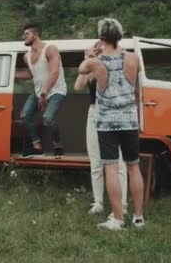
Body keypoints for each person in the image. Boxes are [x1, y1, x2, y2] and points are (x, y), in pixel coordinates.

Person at [78, 18, 145, 230]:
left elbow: (81, 70)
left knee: (111, 168)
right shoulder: (134, 58)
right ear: (120, 35)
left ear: (101, 38)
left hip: (107, 122)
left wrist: (90, 54)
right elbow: (137, 76)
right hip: (129, 119)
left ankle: (117, 219)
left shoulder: (96, 62)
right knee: (133, 167)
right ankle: (138, 217)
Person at [74, 43, 128, 215]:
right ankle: (98, 202)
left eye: (101, 48)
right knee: (96, 161)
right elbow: (78, 86)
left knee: (118, 162)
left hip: (113, 113)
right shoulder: (92, 67)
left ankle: (123, 204)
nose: (98, 51)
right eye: (96, 49)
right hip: (94, 112)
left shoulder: (118, 64)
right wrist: (88, 60)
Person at [15, 23, 67, 158]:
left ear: (35, 34)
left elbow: (54, 72)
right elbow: (31, 74)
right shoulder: (26, 56)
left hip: (56, 90)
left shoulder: (50, 49)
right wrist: (11, 75)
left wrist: (45, 93)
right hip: (39, 92)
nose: (23, 37)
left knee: (48, 118)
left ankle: (57, 145)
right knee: (25, 116)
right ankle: (37, 146)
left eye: (26, 34)